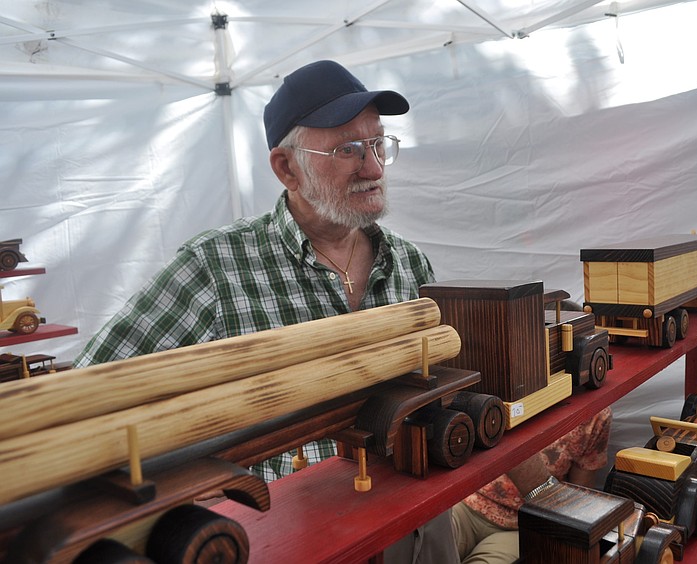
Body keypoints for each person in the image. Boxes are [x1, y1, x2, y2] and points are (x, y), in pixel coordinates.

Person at [74, 59, 458, 564]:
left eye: (378, 144)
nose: (374, 168)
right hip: (296, 540)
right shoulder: (215, 268)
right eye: (347, 149)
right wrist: (190, 484)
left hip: (421, 519)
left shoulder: (408, 261)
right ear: (286, 168)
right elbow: (90, 393)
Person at [452, 407, 612, 564]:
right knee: (436, 541)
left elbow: (578, 508)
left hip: (520, 525)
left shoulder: (594, 414)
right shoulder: (501, 401)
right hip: (468, 502)